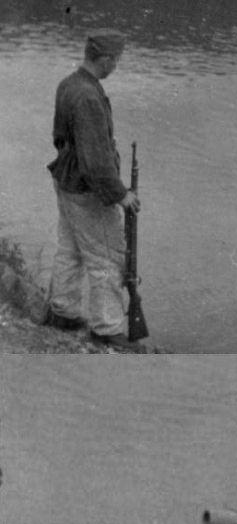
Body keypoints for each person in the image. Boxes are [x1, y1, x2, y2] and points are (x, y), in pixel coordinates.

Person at [46, 29, 142, 351]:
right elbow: (97, 162)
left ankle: (63, 312)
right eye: (116, 60)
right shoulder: (88, 96)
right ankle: (107, 328)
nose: (116, 65)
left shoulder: (69, 84)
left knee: (70, 250)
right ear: (105, 59)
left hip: (66, 180)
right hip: (88, 190)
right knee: (107, 258)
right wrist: (120, 194)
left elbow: (59, 138)